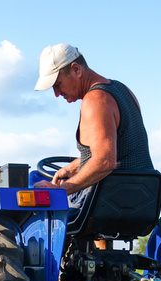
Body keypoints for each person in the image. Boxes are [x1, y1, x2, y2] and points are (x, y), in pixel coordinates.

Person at [33, 43, 153, 207]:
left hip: (109, 204)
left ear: (76, 70)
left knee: (34, 200)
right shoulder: (123, 90)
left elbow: (105, 162)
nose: (56, 93)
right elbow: (119, 149)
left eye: (58, 84)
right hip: (142, 199)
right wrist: (73, 167)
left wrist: (59, 190)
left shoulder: (95, 100)